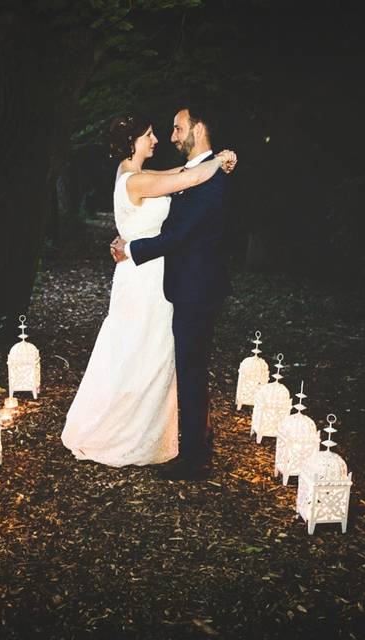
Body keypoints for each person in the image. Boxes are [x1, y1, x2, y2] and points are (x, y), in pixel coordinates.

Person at [60, 111, 236, 468]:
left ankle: (158, 428)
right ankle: (127, 430)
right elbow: (193, 175)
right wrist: (220, 159)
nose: (158, 140)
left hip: (153, 274)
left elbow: (181, 175)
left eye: (164, 131)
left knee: (154, 354)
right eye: (151, 135)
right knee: (139, 350)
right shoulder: (135, 181)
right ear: (133, 141)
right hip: (142, 278)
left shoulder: (137, 174)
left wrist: (216, 161)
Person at [110, 104, 232, 480]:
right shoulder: (192, 173)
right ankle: (192, 442)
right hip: (176, 283)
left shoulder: (210, 178)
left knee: (191, 369)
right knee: (183, 365)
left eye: (178, 129)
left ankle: (195, 457)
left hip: (196, 287)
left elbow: (180, 235)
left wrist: (131, 249)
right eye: (157, 133)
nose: (169, 136)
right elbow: (180, 179)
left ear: (198, 129)